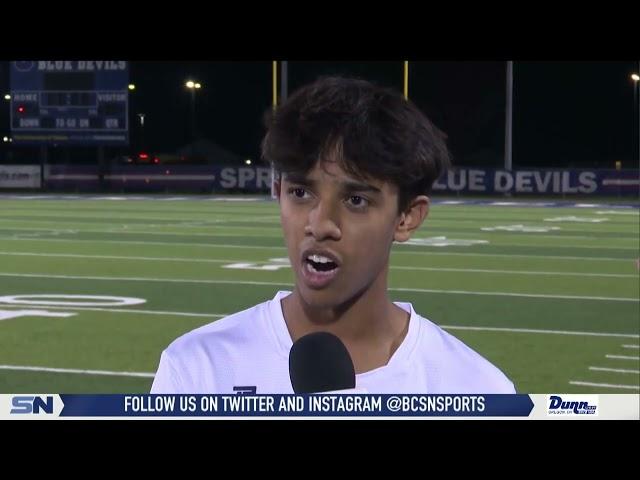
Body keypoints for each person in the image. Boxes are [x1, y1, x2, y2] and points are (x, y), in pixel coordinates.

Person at [151, 76, 515, 394]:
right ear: (277, 193)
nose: (320, 223)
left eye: (356, 200)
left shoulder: (479, 388)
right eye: (300, 193)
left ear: (407, 217)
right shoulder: (197, 369)